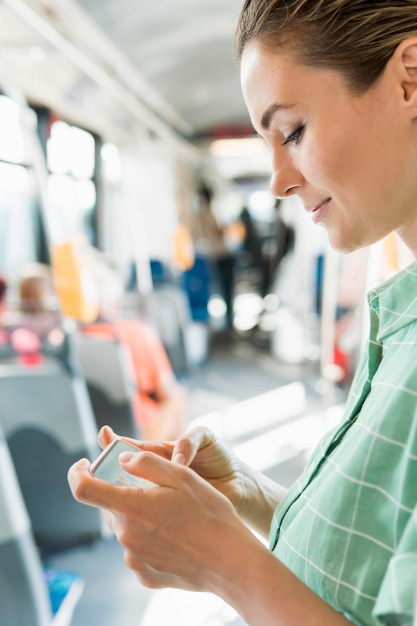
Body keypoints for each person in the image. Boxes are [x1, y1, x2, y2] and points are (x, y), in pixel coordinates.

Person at [68, 2, 417, 625]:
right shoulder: (401, 313)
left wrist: (222, 563)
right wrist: (246, 494)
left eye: (294, 132)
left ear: (409, 78)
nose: (279, 181)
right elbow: (370, 557)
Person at [81, 259, 187, 441]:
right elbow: (166, 390)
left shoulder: (65, 339)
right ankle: (172, 461)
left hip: (85, 429)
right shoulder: (138, 333)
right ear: (116, 301)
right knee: (178, 396)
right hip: (136, 433)